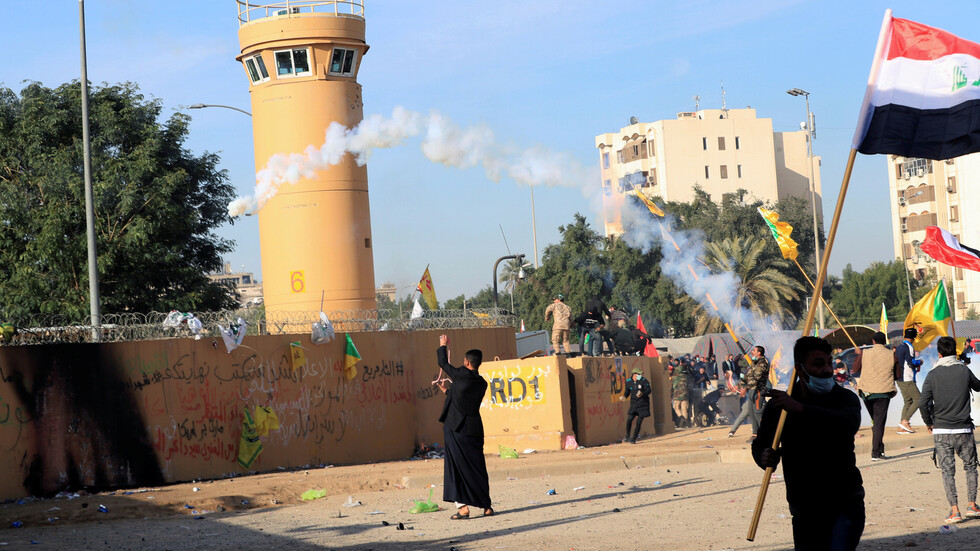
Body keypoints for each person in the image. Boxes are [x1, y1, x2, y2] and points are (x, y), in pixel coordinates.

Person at [753, 336, 865, 550]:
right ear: (800, 369)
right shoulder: (780, 407)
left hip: (844, 502)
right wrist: (764, 456)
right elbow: (760, 445)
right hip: (804, 508)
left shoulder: (844, 399)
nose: (827, 370)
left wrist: (801, 409)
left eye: (829, 363)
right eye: (818, 363)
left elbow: (847, 424)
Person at [919, 336, 980, 524]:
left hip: (942, 431)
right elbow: (978, 387)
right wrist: (963, 366)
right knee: (970, 467)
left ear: (939, 353)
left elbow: (923, 403)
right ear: (956, 351)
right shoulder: (964, 370)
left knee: (947, 471)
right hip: (963, 429)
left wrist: (929, 422)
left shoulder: (932, 374)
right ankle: (972, 505)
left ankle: (955, 510)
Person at [435, 334, 493, 519]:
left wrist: (442, 345)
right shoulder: (482, 383)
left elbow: (443, 364)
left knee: (456, 468)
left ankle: (463, 508)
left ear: (467, 362)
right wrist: (448, 392)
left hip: (456, 429)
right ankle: (486, 506)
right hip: (474, 429)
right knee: (477, 468)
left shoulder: (460, 375)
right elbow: (464, 399)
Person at [851, 332, 897, 461]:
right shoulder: (891, 354)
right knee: (878, 423)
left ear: (873, 341)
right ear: (884, 342)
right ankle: (876, 453)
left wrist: (858, 355)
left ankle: (879, 447)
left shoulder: (864, 353)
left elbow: (855, 369)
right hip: (883, 392)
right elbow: (897, 374)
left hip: (866, 393)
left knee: (876, 422)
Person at [728, 346, 770, 442]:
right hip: (752, 390)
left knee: (758, 413)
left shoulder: (762, 364)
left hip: (759, 391)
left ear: (759, 353)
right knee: (751, 413)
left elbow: (756, 379)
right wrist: (738, 386)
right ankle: (755, 435)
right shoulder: (754, 363)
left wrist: (744, 388)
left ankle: (766, 434)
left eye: (754, 351)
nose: (752, 352)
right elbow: (747, 377)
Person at [894, 327, 923, 434]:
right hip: (907, 378)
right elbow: (910, 363)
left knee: (908, 401)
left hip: (899, 378)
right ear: (914, 337)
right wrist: (919, 362)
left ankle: (902, 427)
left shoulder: (899, 346)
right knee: (919, 399)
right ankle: (905, 421)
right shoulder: (909, 347)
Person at [619, 367, 652, 443]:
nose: (640, 375)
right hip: (634, 403)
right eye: (638, 374)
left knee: (639, 422)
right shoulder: (628, 382)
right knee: (629, 419)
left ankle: (634, 438)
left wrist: (642, 393)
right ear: (634, 374)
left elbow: (649, 390)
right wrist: (624, 396)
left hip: (643, 404)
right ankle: (627, 435)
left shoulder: (644, 381)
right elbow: (627, 392)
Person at [670, 362, 691, 428]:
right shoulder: (686, 377)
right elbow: (690, 386)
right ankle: (685, 423)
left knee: (676, 408)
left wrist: (670, 394)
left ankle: (680, 417)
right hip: (685, 395)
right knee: (684, 409)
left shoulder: (673, 377)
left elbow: (671, 387)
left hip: (677, 395)